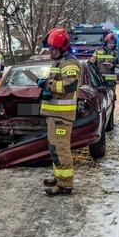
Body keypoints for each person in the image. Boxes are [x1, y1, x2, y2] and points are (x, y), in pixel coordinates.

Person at [38, 28, 81, 197]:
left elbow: (70, 86)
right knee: (54, 147)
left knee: (61, 148)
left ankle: (65, 184)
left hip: (62, 116)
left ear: (62, 48)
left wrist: (47, 86)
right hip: (54, 114)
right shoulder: (59, 61)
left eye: (52, 49)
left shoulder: (69, 63)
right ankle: (59, 177)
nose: (50, 52)